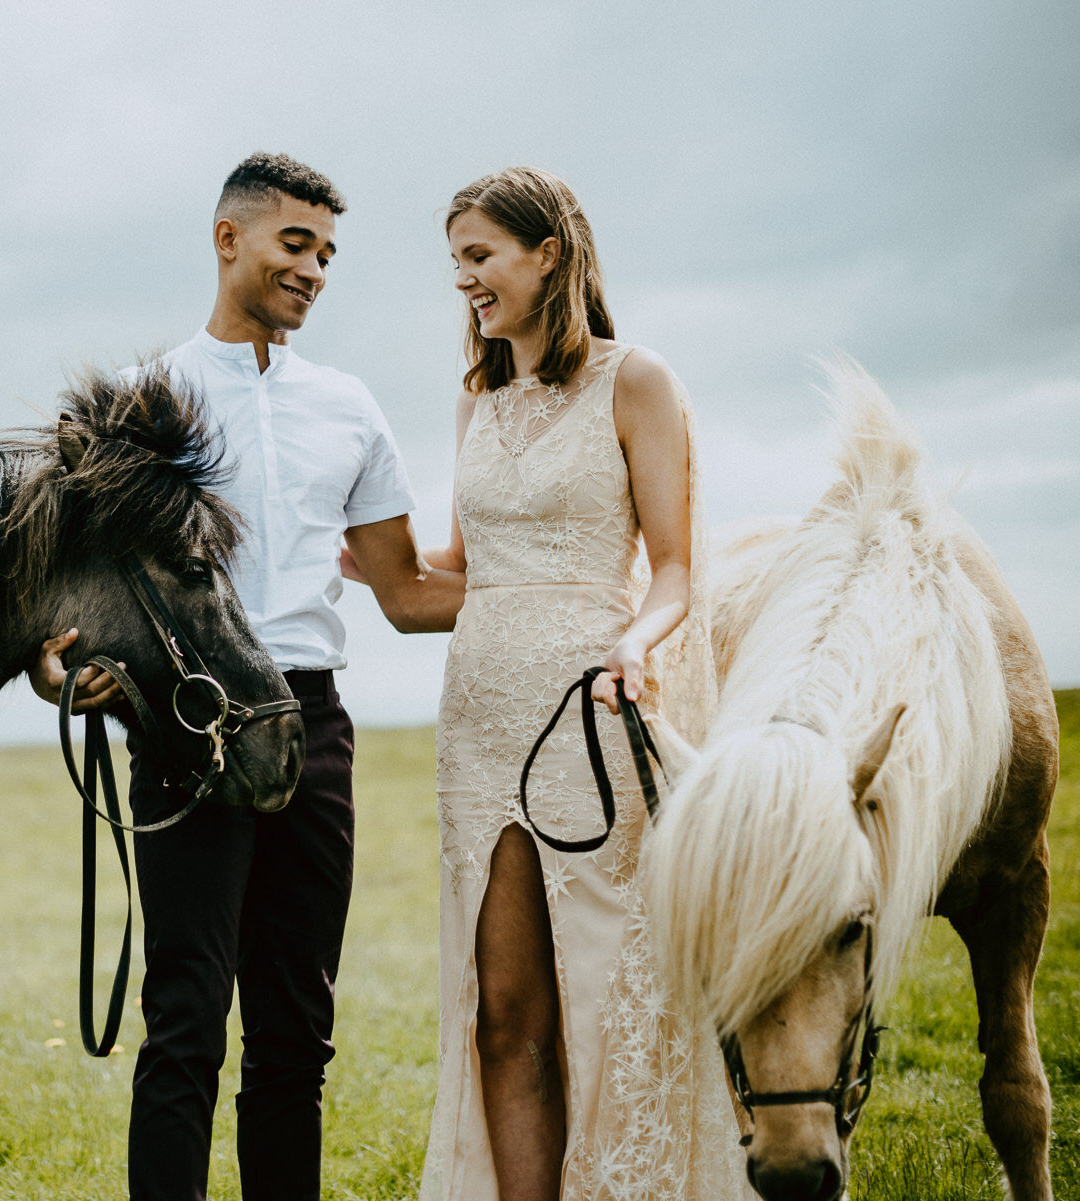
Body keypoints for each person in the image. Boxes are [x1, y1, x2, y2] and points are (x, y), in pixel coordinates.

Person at [29, 152, 465, 1201]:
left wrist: (555, 582)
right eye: (294, 243)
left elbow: (405, 594)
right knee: (184, 1020)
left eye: (326, 253)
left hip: (313, 726)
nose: (314, 268)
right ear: (229, 240)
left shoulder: (351, 407)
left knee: (295, 1029)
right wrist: (58, 672)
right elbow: (64, 604)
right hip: (186, 722)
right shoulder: (141, 405)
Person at [343, 167, 750, 1199]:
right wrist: (353, 546)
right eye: (456, 263)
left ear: (549, 256)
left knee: (612, 999)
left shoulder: (636, 380)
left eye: (478, 257)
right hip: (476, 726)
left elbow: (672, 569)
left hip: (590, 714)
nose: (464, 283)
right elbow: (467, 570)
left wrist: (639, 646)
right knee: (506, 1008)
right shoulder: (477, 397)